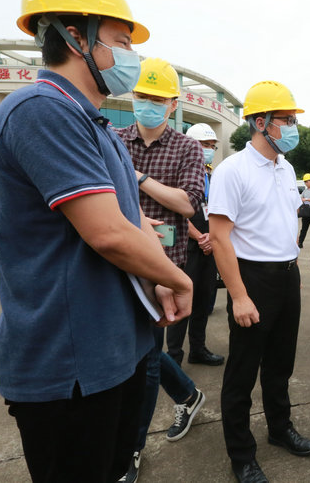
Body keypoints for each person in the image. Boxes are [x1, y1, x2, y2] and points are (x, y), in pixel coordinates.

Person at [0, 0, 192, 482]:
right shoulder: (41, 109)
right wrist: (179, 278)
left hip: (115, 352)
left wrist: (157, 277)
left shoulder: (97, 123)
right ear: (74, 36)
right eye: (121, 41)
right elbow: (108, 233)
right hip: (69, 368)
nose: (132, 57)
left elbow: (135, 223)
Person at [210, 81, 310, 483]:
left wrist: (291, 267)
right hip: (251, 278)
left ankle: (279, 428)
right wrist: (239, 296)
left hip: (287, 275)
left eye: (292, 120)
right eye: (286, 120)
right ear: (261, 122)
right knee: (242, 370)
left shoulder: (285, 167)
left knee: (280, 364)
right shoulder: (231, 171)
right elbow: (220, 237)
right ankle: (241, 455)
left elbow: (286, 220)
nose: (292, 127)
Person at [116, 58, 208, 481]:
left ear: (172, 104)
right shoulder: (114, 138)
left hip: (166, 266)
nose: (148, 105)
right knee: (145, 349)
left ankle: (132, 447)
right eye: (142, 97)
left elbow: (188, 203)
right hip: (119, 259)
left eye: (157, 99)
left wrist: (136, 178)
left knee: (147, 357)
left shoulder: (187, 147)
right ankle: (189, 395)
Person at [167, 123, 225, 367]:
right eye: (204, 145)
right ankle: (173, 358)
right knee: (183, 300)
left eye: (211, 146)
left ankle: (198, 349)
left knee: (203, 299)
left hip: (209, 248)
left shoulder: (210, 175)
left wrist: (211, 238)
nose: (208, 150)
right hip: (187, 248)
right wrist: (199, 237)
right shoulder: (177, 174)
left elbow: (215, 209)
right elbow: (176, 211)